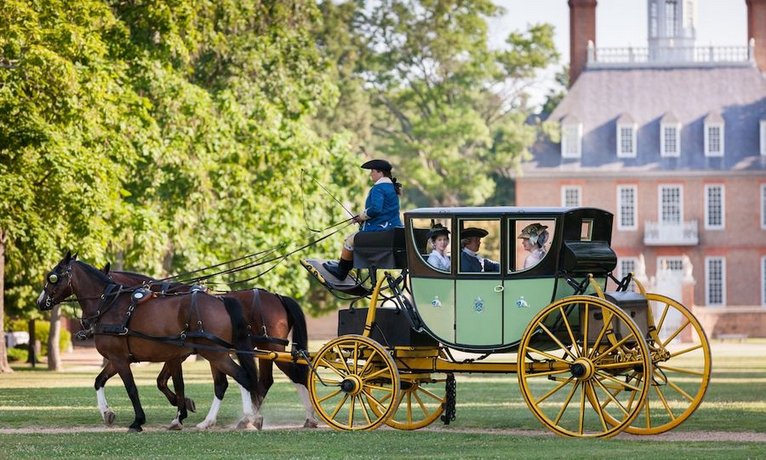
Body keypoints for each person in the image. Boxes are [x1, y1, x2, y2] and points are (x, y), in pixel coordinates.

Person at [323, 159, 403, 280]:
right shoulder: (391, 188)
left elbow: (376, 209)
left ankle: (341, 271)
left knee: (350, 240)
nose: (371, 174)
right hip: (392, 231)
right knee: (353, 239)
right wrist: (362, 218)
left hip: (380, 232)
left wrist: (361, 216)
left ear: (380, 173)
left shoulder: (379, 188)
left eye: (372, 171)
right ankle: (344, 267)